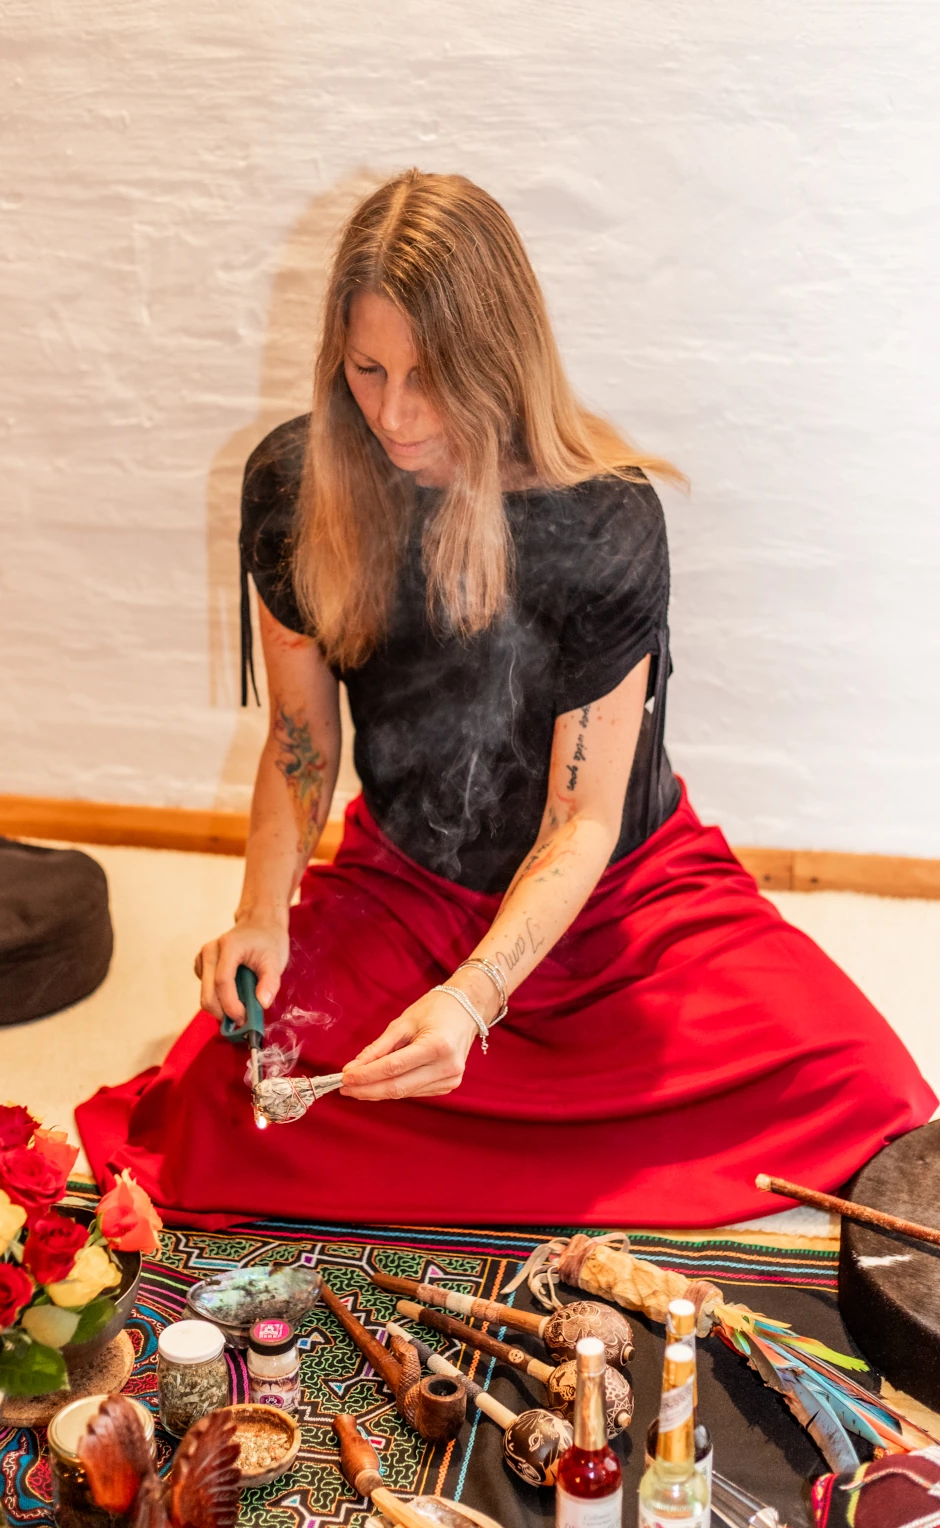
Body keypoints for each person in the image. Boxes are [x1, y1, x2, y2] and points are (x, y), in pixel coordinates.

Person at [76, 170, 935, 1229]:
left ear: (500, 358)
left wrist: (475, 1001)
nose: (393, 413)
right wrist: (261, 916)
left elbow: (582, 819)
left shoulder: (607, 518)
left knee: (869, 1089)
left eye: (430, 377)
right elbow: (301, 740)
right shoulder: (294, 488)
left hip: (618, 893)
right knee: (220, 1112)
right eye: (367, 369)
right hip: (409, 880)